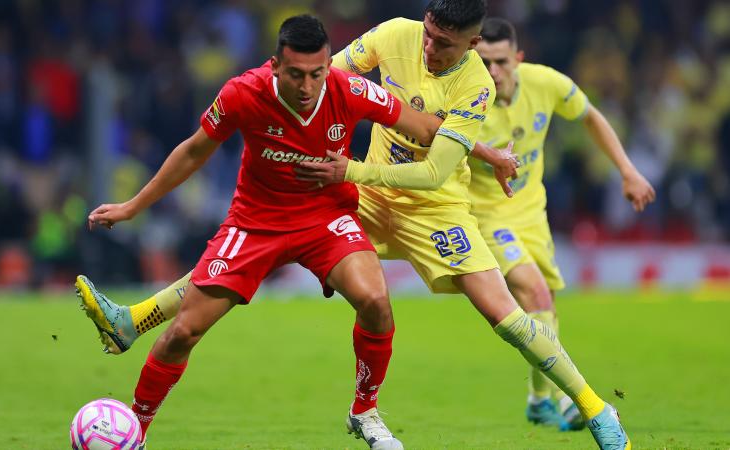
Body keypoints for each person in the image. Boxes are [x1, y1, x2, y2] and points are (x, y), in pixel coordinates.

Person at [78, 2, 630, 448]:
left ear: (471, 43)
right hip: (354, 195)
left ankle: (593, 407)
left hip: (427, 204)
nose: (429, 47)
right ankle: (133, 320)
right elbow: (333, 74)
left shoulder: (477, 86)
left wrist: (358, 166)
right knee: (233, 269)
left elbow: (436, 168)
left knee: (504, 315)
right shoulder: (394, 35)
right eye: (428, 34)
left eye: (443, 43)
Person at [82, 14, 445, 449]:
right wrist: (132, 206)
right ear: (275, 66)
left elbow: (428, 129)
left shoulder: (349, 89)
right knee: (183, 332)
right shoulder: (243, 92)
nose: (308, 86)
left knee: (376, 302)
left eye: (317, 74)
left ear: (329, 65)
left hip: (325, 218)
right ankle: (135, 432)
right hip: (256, 222)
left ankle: (364, 411)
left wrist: (484, 151)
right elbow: (194, 150)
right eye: (296, 74)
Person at [465, 17, 656, 431]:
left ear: (518, 58)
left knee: (544, 303)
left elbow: (590, 116)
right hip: (484, 214)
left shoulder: (546, 83)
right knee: (535, 291)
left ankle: (539, 399)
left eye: (500, 62)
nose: (492, 72)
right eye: (483, 63)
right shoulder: (465, 96)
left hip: (532, 211)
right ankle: (558, 399)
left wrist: (627, 170)